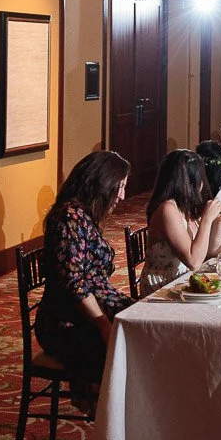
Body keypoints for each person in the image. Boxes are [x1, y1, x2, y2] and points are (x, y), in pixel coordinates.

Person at [35, 150, 132, 412]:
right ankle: (110, 417)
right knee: (124, 342)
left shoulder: (83, 215)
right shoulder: (69, 217)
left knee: (140, 326)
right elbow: (74, 285)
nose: (122, 196)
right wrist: (102, 324)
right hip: (63, 322)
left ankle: (129, 415)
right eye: (120, 187)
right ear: (102, 183)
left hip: (85, 311)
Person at [138, 151, 221, 296]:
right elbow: (194, 262)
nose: (202, 184)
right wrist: (206, 219)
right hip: (164, 287)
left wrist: (219, 221)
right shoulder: (167, 209)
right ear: (189, 181)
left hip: (185, 281)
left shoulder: (188, 207)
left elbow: (211, 253)